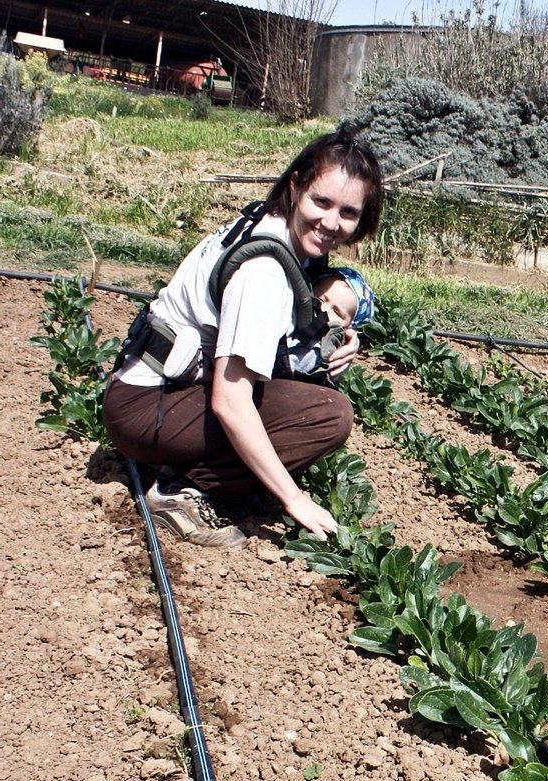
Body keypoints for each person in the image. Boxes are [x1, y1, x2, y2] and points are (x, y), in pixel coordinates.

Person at [103, 127, 383, 547]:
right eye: (321, 202)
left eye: (348, 212)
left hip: (146, 389)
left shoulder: (267, 222)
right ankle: (182, 489)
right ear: (296, 187)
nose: (331, 223)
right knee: (328, 415)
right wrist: (294, 498)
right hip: (147, 409)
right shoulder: (264, 275)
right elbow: (230, 401)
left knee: (309, 394)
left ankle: (202, 468)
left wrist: (342, 336)